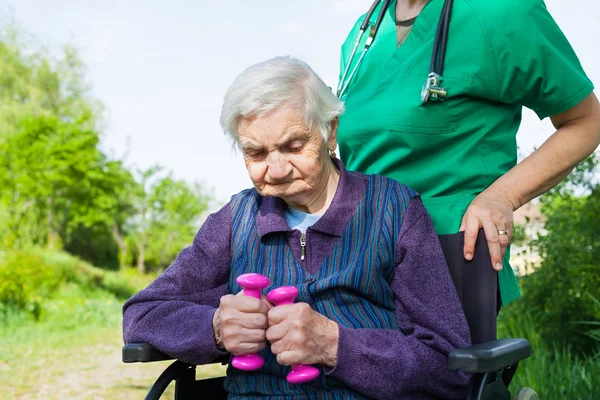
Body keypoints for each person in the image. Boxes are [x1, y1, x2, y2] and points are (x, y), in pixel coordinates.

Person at [123, 56, 472, 399]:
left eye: (293, 146)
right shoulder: (236, 220)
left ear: (330, 130)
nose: (276, 170)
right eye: (256, 154)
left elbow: (448, 365)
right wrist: (214, 328)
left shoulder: (393, 210)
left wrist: (336, 345)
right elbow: (141, 314)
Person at [336, 0, 600, 307]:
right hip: (362, 256)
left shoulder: (502, 11)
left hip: (450, 254)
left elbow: (586, 122)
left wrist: (503, 196)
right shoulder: (364, 31)